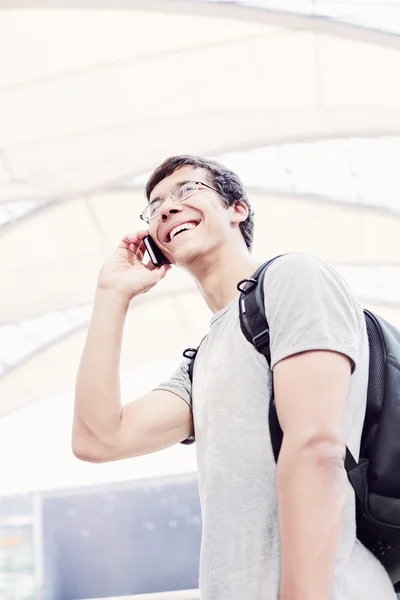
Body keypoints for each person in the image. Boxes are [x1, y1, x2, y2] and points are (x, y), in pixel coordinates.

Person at [73, 155, 396, 600]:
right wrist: (112, 293)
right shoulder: (202, 360)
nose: (167, 208)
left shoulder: (291, 277)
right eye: (155, 206)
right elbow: (98, 439)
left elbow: (316, 446)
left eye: (187, 190)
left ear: (236, 209)